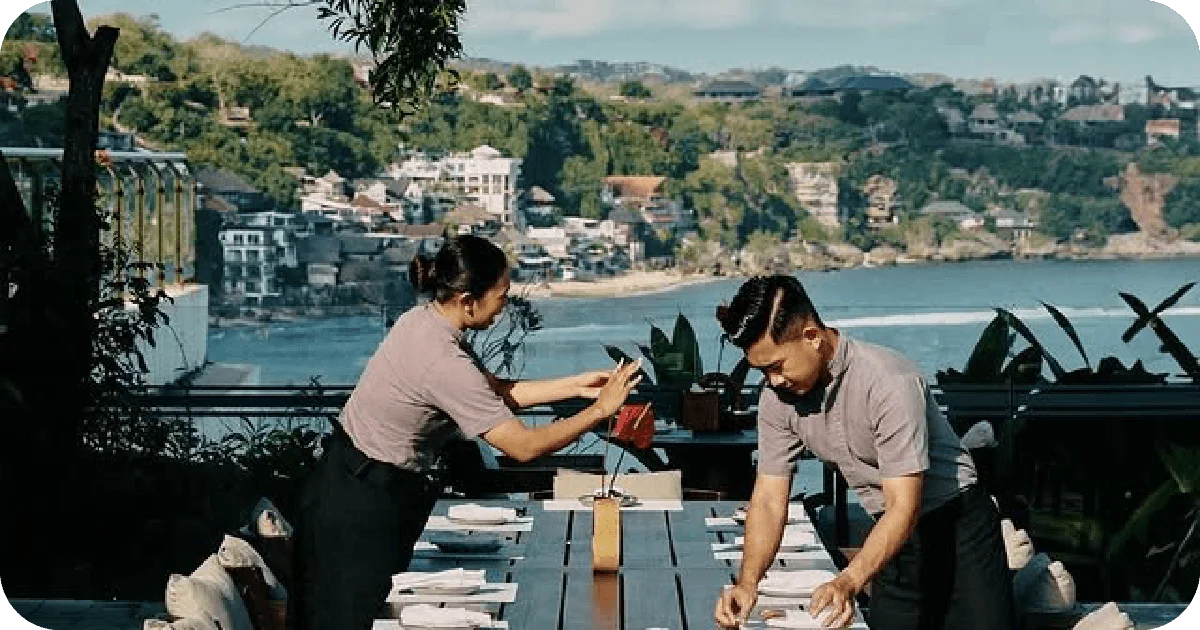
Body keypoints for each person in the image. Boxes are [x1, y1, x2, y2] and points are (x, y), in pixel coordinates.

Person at [297, 235, 643, 630]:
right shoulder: (442, 360)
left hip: (352, 484)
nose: (504, 307)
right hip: (359, 506)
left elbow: (491, 393)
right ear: (467, 300)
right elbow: (522, 447)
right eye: (501, 296)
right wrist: (600, 410)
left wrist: (577, 386)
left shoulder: (425, 322)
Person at [712, 275, 1015, 630]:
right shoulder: (777, 400)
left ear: (812, 337)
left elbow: (906, 505)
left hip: (959, 530)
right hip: (892, 538)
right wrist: (747, 584)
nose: (774, 380)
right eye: (763, 371)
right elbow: (768, 499)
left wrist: (848, 581)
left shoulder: (888, 381)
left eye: (777, 366)